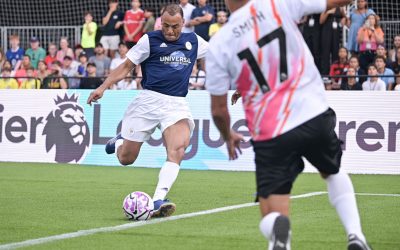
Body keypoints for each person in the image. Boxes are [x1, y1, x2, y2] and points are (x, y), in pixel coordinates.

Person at [205, 0, 372, 249]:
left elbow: (219, 110)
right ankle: (355, 235)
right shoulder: (277, 5)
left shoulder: (220, 42)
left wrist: (228, 135)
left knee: (270, 209)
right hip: (312, 112)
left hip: (271, 131)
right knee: (332, 171)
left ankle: (277, 230)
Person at [87, 4, 208, 218]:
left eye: (176, 27)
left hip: (176, 104)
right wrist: (103, 87)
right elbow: (126, 67)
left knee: (178, 150)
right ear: (160, 22)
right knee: (126, 158)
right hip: (148, 102)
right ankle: (119, 143)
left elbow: (226, 56)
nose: (170, 31)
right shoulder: (149, 40)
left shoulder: (194, 41)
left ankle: (158, 199)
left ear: (183, 24)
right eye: (166, 26)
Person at [319, 6, 346, 76]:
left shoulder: (339, 7)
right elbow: (321, 21)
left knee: (336, 52)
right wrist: (328, 12)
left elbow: (345, 16)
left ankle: (335, 74)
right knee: (325, 53)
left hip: (336, 32)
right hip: (326, 31)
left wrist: (343, 19)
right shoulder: (326, 6)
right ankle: (325, 74)